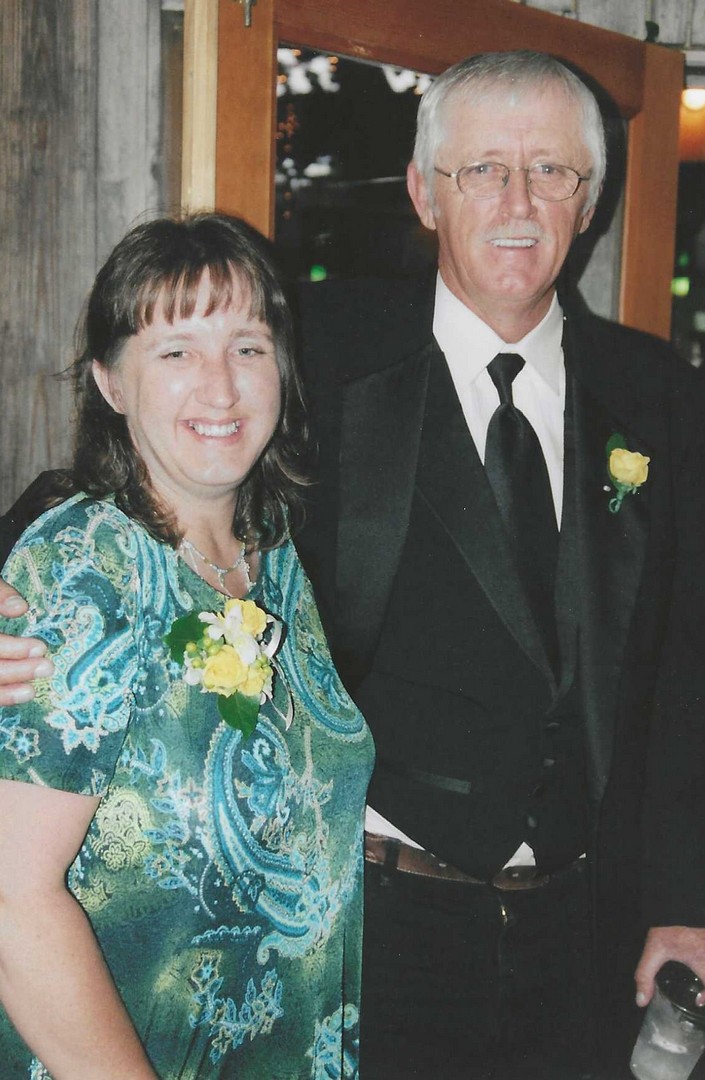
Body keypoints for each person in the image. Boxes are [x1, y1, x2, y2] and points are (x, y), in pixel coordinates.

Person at [3, 49, 705, 1080]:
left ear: (589, 200)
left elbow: (687, 660)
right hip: (373, 930)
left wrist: (684, 901)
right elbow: (144, 469)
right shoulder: (317, 351)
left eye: (551, 171)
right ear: (423, 191)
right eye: (482, 169)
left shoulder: (658, 393)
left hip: (586, 930)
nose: (517, 202)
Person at [0, 213, 373, 1079]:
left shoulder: (276, 552)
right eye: (176, 351)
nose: (221, 386)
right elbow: (11, 897)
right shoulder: (86, 569)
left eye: (247, 347)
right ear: (110, 382)